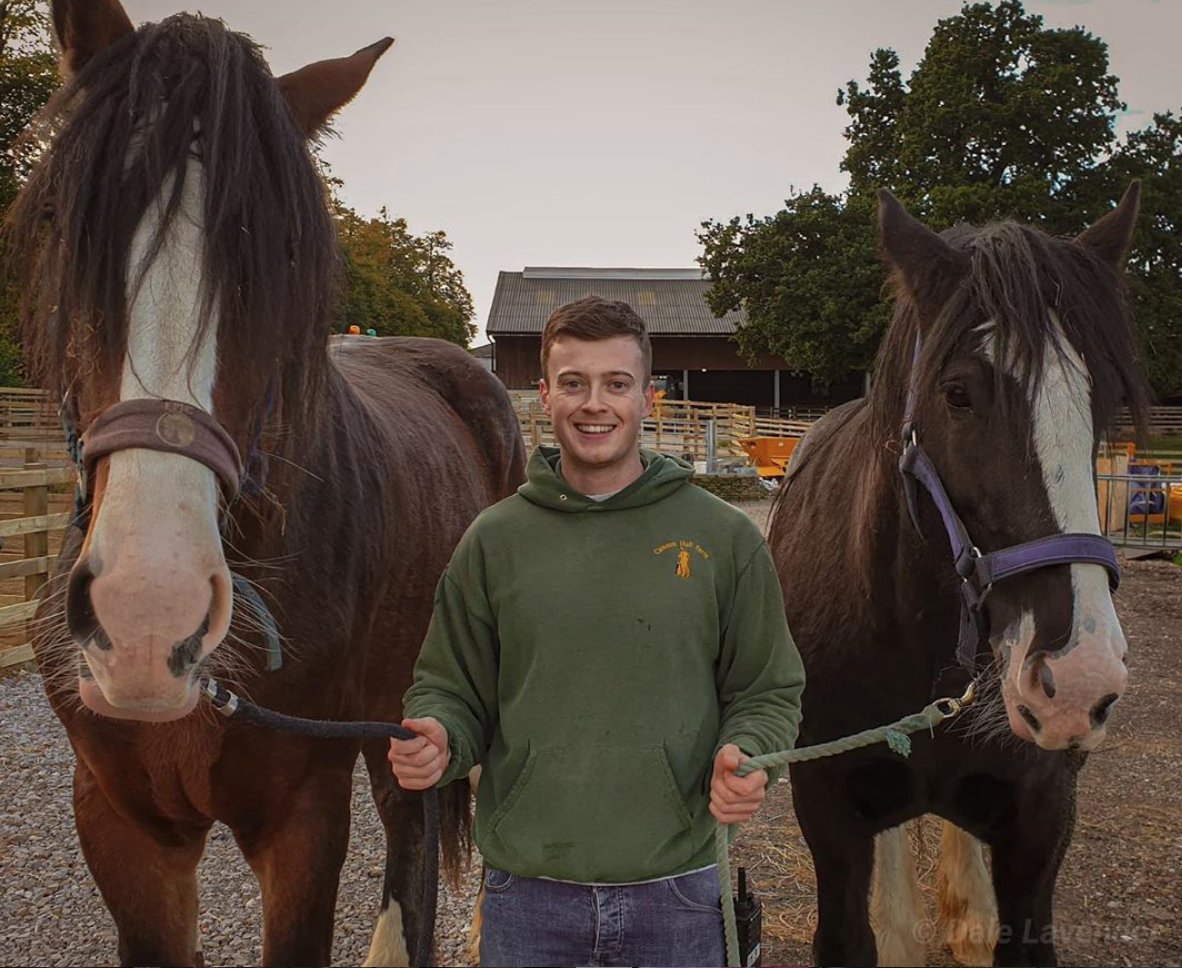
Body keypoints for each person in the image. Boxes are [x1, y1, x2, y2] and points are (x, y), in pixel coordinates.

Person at [389, 295, 805, 968]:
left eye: (616, 383)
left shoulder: (724, 538)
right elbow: (449, 686)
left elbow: (768, 690)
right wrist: (439, 736)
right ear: (545, 395)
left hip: (678, 891)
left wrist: (751, 752)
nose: (594, 404)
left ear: (648, 398)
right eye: (574, 383)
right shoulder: (494, 540)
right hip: (526, 896)